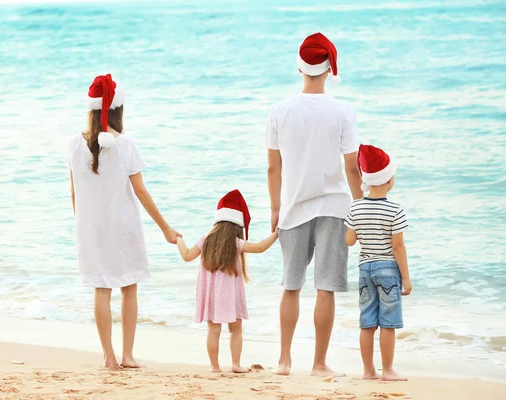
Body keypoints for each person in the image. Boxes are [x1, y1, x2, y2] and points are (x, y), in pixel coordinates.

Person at [67, 74, 181, 369]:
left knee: (101, 289)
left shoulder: (73, 145)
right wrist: (166, 229)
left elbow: (74, 193)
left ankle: (108, 357)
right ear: (118, 109)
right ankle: (127, 355)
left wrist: (84, 227)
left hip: (90, 230)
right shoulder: (126, 143)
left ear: (91, 109)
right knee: (129, 287)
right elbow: (141, 191)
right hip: (123, 228)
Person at [265, 32, 363, 376]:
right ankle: (319, 363)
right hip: (335, 208)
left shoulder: (279, 111)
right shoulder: (343, 110)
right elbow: (352, 167)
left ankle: (284, 360)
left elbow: (273, 167)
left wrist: (275, 209)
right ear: (328, 69)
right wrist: (362, 205)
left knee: (291, 286)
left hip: (293, 206)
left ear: (299, 66)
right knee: (326, 287)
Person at [176, 190, 278, 373]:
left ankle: (215, 366)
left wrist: (178, 240)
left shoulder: (205, 240)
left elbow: (186, 256)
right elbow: (261, 247)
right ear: (238, 224)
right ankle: (236, 364)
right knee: (235, 329)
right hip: (230, 296)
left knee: (213, 331)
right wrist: (277, 234)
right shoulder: (236, 243)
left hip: (212, 296)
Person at [345, 144, 412, 381]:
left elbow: (350, 240)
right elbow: (398, 246)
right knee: (388, 322)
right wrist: (406, 277)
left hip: (365, 270)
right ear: (389, 180)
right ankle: (388, 370)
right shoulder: (396, 210)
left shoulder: (356, 206)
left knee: (367, 322)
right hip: (388, 269)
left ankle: (368, 370)